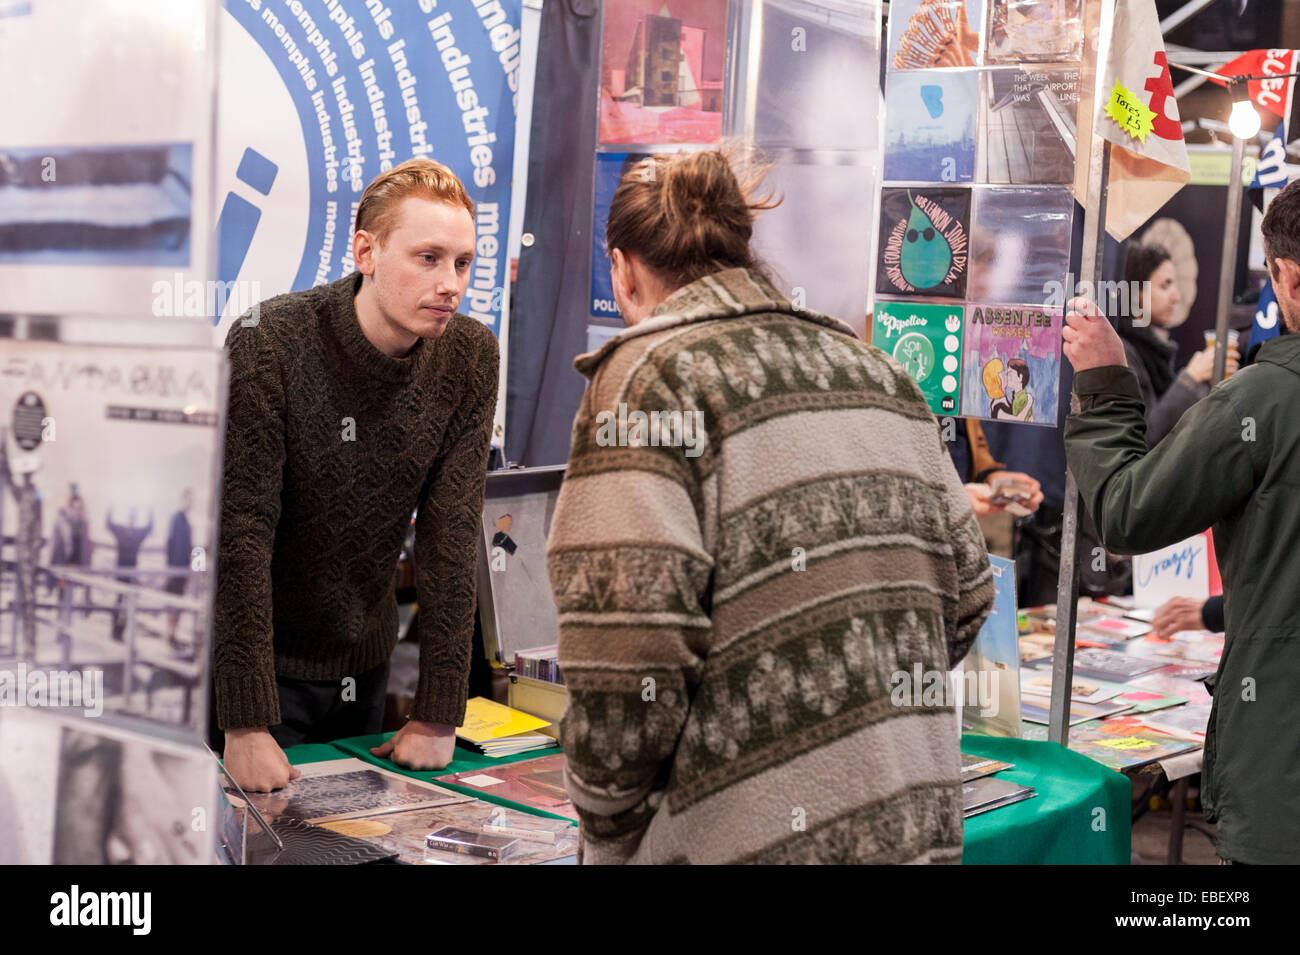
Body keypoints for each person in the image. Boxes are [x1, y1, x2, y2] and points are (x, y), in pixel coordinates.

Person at [546, 151, 994, 864]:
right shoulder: (879, 371)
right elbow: (969, 589)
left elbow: (631, 655)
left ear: (621, 270)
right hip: (915, 830)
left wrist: (606, 826)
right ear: (741, 250)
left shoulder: (649, 380)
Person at [215, 159, 499, 792]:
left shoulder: (471, 357)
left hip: (362, 665)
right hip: (256, 669)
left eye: (461, 262)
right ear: (366, 252)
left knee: (355, 845)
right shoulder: (269, 344)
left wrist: (437, 712)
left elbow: (451, 537)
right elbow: (240, 535)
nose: (450, 283)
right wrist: (243, 722)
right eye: (428, 258)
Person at [1060, 177, 1300, 865]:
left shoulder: (1262, 400)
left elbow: (1126, 510)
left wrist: (1105, 386)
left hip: (1283, 789)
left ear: (1283, 275)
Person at [1118, 243, 1239, 445]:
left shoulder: (1154, 351)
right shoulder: (1123, 353)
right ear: (1135, 293)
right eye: (1165, 285)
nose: (1176, 297)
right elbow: (1145, 435)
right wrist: (1190, 378)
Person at [164, 489, 193, 653]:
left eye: (191, 500)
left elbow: (191, 548)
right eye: (187, 499)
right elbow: (169, 542)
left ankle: (173, 635)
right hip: (174, 569)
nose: (189, 503)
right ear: (182, 500)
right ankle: (169, 634)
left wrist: (193, 571)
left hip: (183, 570)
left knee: (179, 603)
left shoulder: (188, 522)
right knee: (172, 603)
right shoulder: (175, 519)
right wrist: (168, 568)